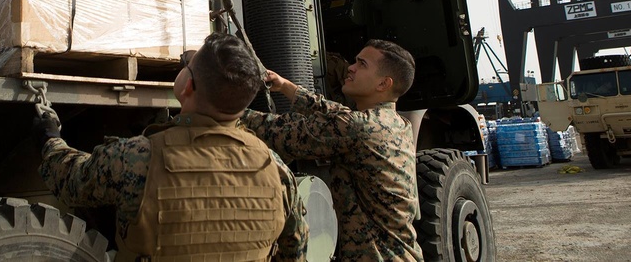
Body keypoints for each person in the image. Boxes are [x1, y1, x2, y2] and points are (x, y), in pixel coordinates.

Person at [34, 32, 309, 260]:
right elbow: (294, 250)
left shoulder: (138, 158)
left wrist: (51, 139)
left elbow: (72, 181)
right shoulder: (276, 170)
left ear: (188, 85)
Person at [242, 38, 423, 262]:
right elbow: (337, 112)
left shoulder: (358, 128)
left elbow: (279, 132)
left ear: (383, 84)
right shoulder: (396, 123)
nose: (350, 67)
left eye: (362, 64)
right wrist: (288, 88)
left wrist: (225, 110)